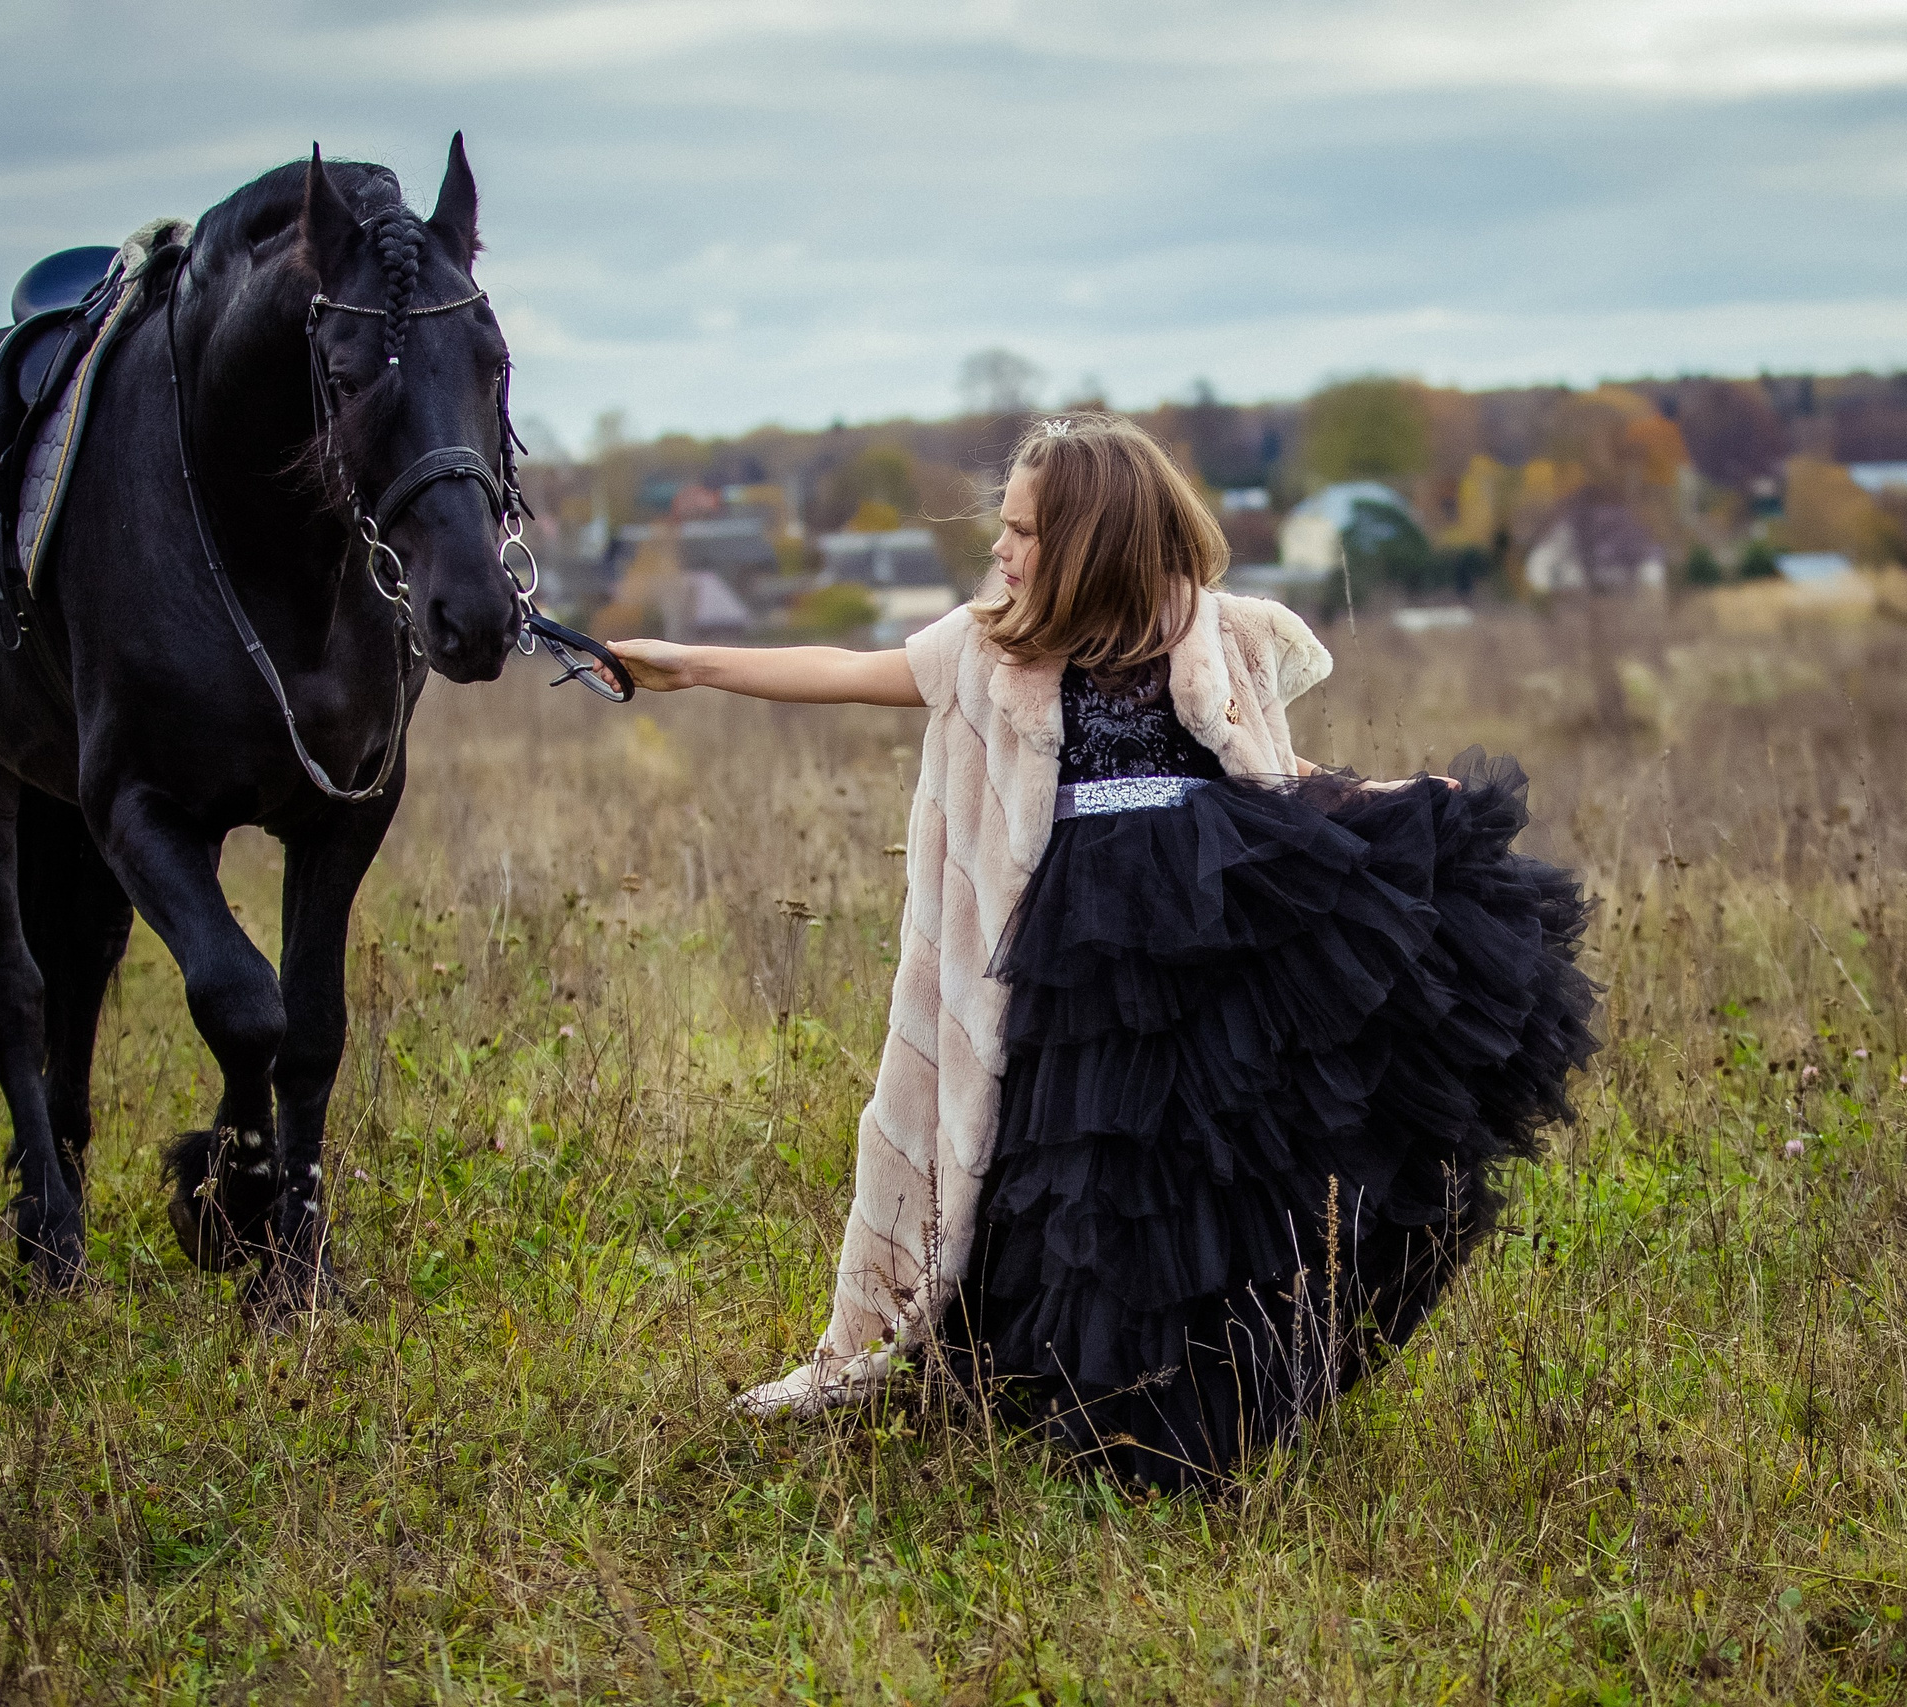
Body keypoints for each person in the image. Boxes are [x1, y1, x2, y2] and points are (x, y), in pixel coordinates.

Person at [600, 413, 1597, 1491]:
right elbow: (849, 669)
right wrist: (690, 664)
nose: (1002, 548)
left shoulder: (1211, 630)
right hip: (1078, 929)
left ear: (1091, 535)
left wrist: (1384, 798)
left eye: (1024, 530)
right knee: (1075, 1162)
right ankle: (1070, 1385)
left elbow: (1265, 760)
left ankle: (1200, 1400)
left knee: (1199, 1170)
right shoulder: (995, 644)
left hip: (1217, 914)